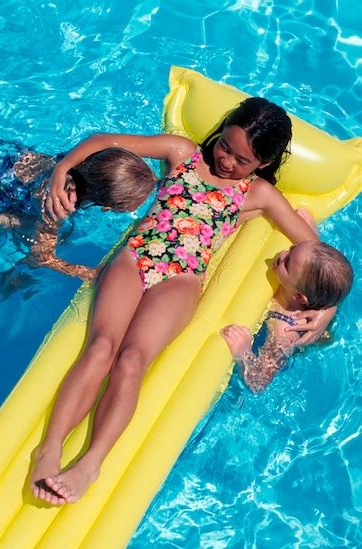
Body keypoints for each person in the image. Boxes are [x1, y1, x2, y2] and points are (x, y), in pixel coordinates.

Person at [31, 97, 335, 505]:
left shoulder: (258, 193)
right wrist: (61, 170)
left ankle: (90, 463)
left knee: (132, 359)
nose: (226, 161)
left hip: (181, 279)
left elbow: (317, 255)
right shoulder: (183, 153)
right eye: (225, 146)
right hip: (135, 257)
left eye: (242, 160)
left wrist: (326, 308)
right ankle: (49, 448)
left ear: (263, 164)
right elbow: (103, 140)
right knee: (101, 345)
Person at [0, 138, 157, 289]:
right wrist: (88, 273)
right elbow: (40, 256)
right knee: (13, 225)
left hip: (3, 155)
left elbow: (104, 141)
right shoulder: (59, 207)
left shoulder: (80, 161)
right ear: (108, 207)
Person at [221, 239, 353, 392]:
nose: (282, 254)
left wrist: (244, 353)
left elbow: (258, 383)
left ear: (298, 297)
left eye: (287, 263)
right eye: (292, 248)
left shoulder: (285, 330)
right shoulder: (298, 276)